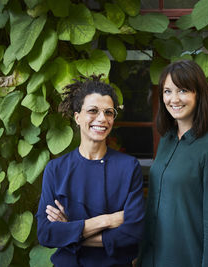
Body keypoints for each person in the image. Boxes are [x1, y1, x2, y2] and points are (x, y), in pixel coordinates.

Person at [36, 75, 145, 267]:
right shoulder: (56, 170)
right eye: (93, 111)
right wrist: (107, 220)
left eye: (109, 112)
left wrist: (70, 232)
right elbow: (46, 233)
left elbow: (133, 233)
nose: (102, 119)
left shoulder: (129, 167)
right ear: (77, 117)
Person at [138, 60, 208, 267]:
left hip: (187, 259)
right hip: (152, 259)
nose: (173, 99)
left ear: (198, 94)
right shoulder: (167, 140)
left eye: (182, 90)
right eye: (167, 91)